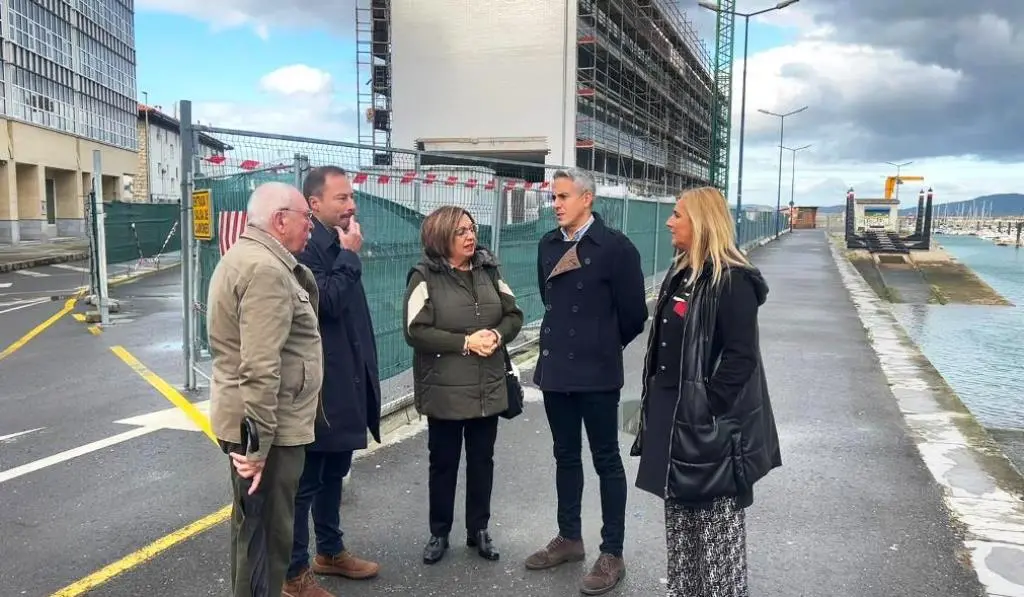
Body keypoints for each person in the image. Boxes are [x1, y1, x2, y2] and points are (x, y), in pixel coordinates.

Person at [630, 186, 781, 597]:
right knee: (681, 533)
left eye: (677, 214)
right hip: (673, 420)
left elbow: (740, 359)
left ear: (700, 222)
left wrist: (706, 408)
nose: (669, 221)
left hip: (710, 429)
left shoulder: (732, 281)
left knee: (717, 543)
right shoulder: (682, 274)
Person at [527, 168, 648, 596]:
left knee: (606, 459)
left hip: (597, 373)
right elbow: (551, 301)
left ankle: (611, 551)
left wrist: (600, 341)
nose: (555, 204)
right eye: (553, 197)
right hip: (558, 369)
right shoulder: (548, 245)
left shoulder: (616, 248)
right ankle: (570, 538)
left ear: (587, 199)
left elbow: (635, 314)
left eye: (562, 196)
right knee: (565, 456)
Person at [207, 181, 322, 597]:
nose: (310, 226)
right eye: (305, 218)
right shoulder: (266, 270)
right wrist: (258, 450)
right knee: (266, 542)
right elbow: (259, 365)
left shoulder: (249, 258)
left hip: (260, 424)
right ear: (280, 219)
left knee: (253, 534)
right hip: (268, 429)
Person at [402, 205, 524, 566]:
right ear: (441, 237)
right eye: (460, 232)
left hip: (487, 386)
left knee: (482, 460)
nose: (471, 236)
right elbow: (415, 331)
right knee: (444, 462)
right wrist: (465, 342)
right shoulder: (423, 276)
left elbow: (514, 314)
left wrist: (497, 336)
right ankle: (439, 532)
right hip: (445, 389)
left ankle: (479, 530)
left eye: (471, 229)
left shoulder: (489, 269)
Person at [282, 166, 382, 597]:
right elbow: (325, 301)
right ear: (314, 203)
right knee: (308, 479)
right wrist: (350, 257)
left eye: (351, 197)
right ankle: (293, 572)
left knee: (335, 468)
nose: (351, 205)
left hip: (346, 379)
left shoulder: (338, 245)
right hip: (318, 388)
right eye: (342, 198)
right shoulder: (306, 249)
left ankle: (330, 550)